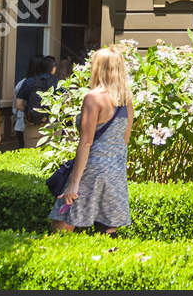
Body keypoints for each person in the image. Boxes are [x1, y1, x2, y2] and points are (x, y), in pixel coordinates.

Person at [49, 47, 132, 234]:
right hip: (115, 170)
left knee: (62, 224)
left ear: (97, 68)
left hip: (91, 169)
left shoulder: (93, 98)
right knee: (108, 227)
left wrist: (74, 182)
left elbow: (86, 142)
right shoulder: (126, 100)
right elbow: (125, 138)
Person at [15, 55, 59, 150]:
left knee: (30, 157)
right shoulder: (58, 83)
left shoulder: (29, 82)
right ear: (53, 68)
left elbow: (18, 105)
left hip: (33, 125)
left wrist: (31, 111)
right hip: (53, 127)